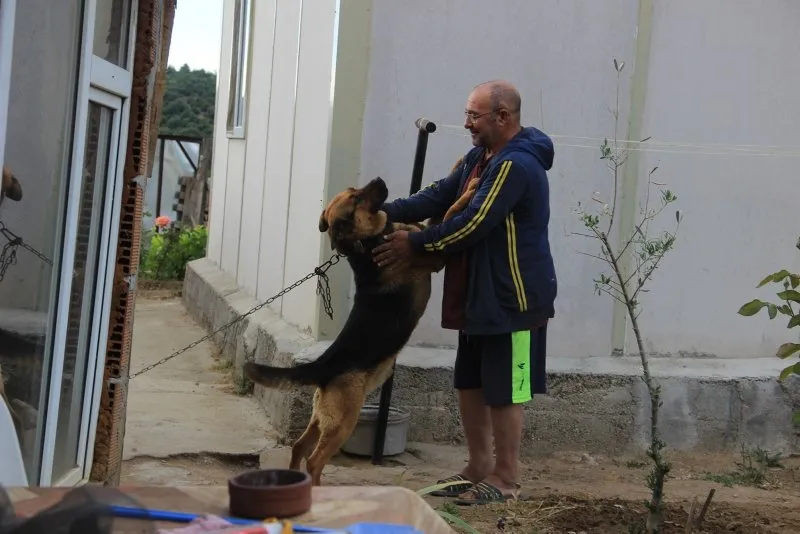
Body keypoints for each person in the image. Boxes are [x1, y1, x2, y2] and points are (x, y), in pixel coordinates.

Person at [373, 80, 557, 505]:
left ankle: (506, 479)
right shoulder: (480, 157)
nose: (466, 123)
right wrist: (385, 213)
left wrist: (414, 244)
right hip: (479, 293)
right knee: (470, 382)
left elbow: (474, 222)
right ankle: (477, 467)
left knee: (508, 389)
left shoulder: (516, 165)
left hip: (514, 300)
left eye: (474, 115)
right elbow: (441, 193)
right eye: (467, 114)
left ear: (503, 117)